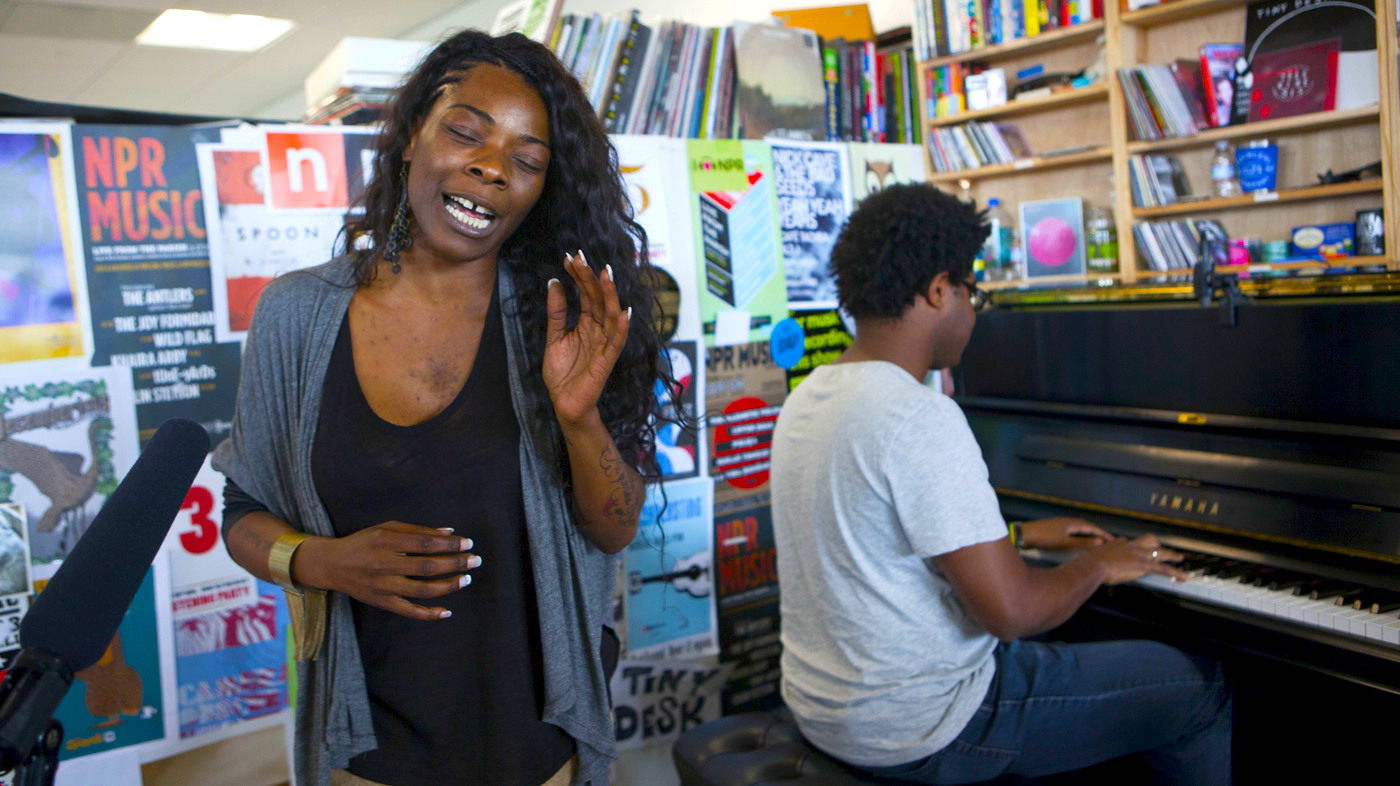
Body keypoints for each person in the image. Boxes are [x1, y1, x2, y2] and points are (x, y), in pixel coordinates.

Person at [212, 30, 671, 786]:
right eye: (466, 132)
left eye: (527, 161)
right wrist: (325, 561)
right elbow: (242, 514)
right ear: (409, 138)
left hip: (537, 756)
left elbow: (614, 529)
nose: (492, 168)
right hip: (368, 757)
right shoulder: (297, 315)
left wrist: (579, 416)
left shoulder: (553, 319)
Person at [769, 183, 1232, 785]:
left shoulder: (809, 398)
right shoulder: (917, 414)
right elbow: (1012, 614)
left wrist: (1013, 535)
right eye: (971, 293)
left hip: (826, 711)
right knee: (1199, 688)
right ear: (940, 290)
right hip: (931, 725)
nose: (972, 313)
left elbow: (879, 546)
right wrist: (1100, 564)